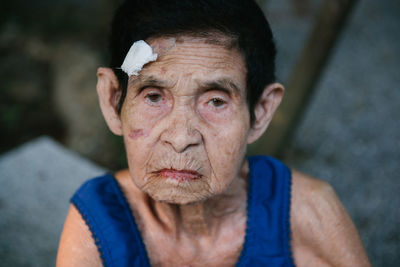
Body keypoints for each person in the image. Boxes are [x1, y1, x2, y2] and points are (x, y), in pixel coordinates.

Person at [56, 0, 371, 266]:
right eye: (153, 96)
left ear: (260, 112)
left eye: (216, 101)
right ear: (113, 101)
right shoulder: (98, 220)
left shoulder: (308, 214)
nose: (180, 139)